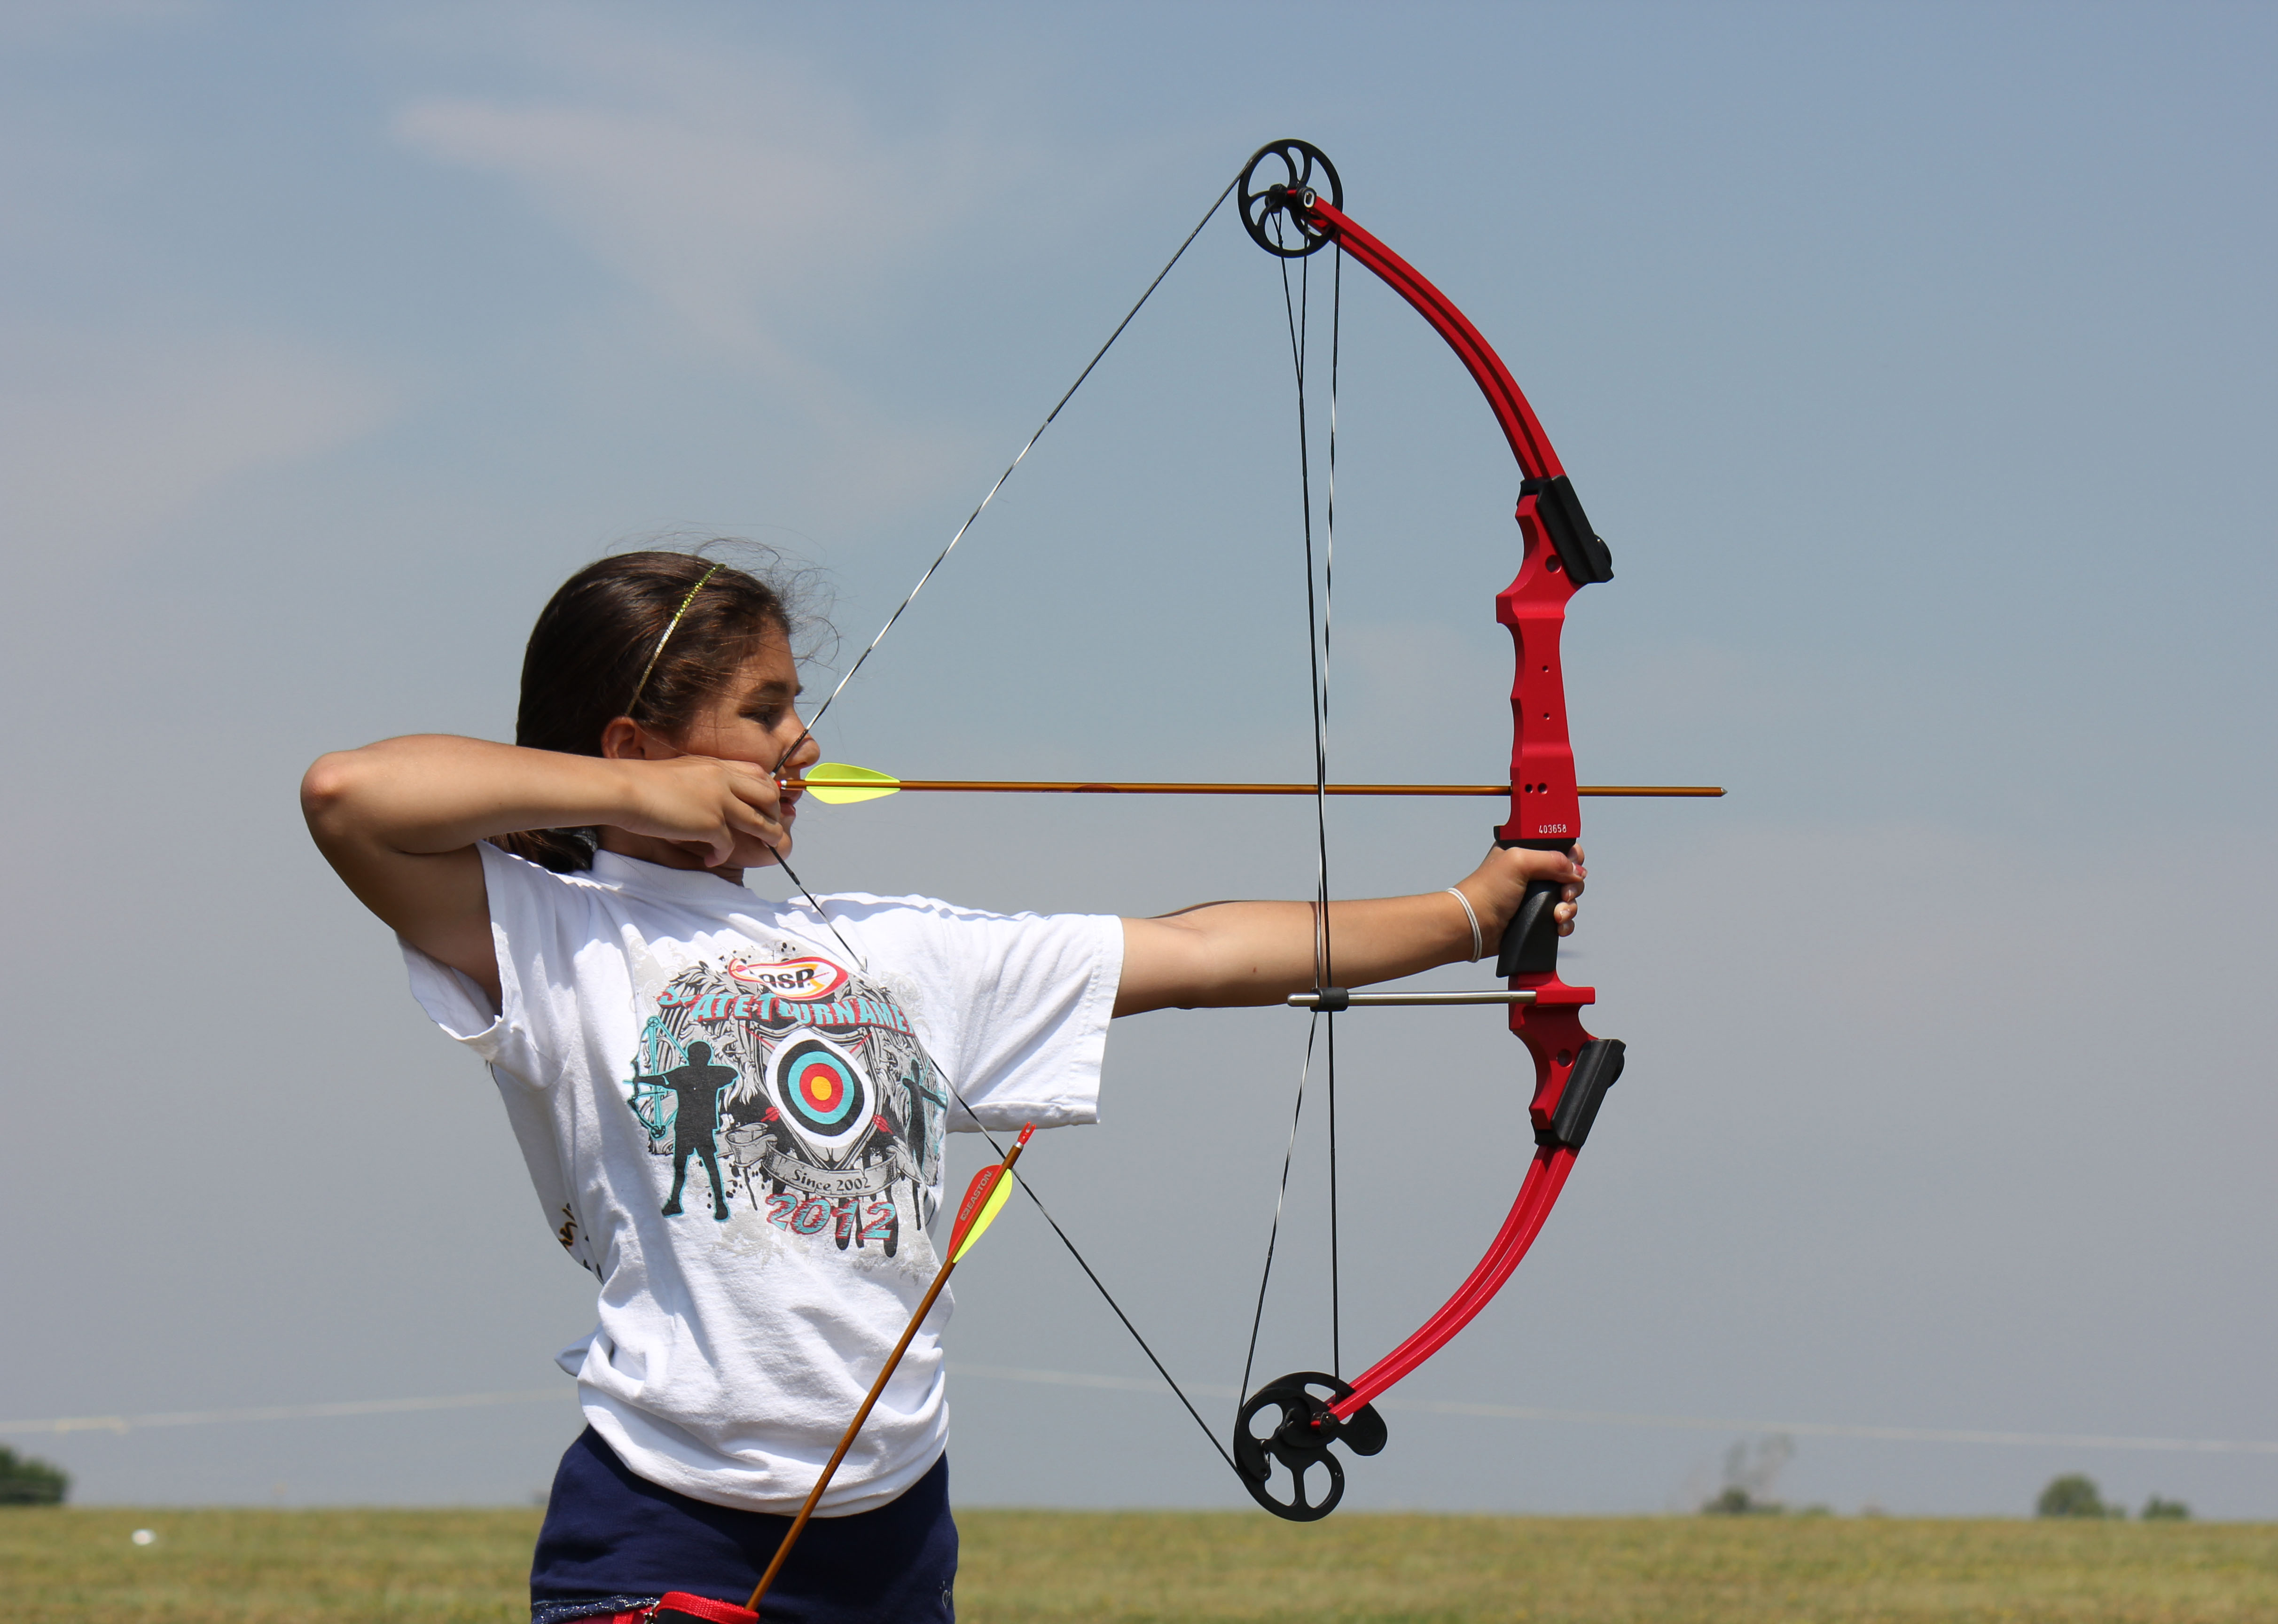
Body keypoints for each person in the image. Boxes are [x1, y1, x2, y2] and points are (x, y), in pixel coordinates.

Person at [301, 549, 1585, 1624]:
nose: (803, 739)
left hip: (895, 1538)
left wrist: (1472, 913)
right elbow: (353, 796)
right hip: (664, 1524)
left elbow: (1199, 953)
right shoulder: (556, 939)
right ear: (636, 740)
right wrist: (638, 794)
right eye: (763, 711)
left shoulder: (902, 949)